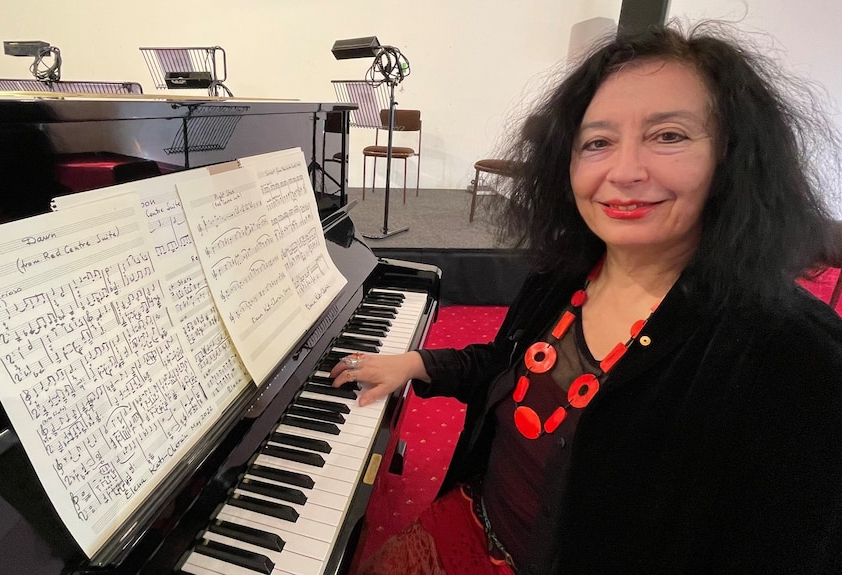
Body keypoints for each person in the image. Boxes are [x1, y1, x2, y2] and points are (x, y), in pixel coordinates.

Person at [330, 21, 842, 575]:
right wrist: (418, 361)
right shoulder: (563, 278)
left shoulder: (798, 357)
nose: (623, 171)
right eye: (597, 142)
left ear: (733, 158)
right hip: (471, 524)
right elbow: (511, 367)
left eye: (668, 135)